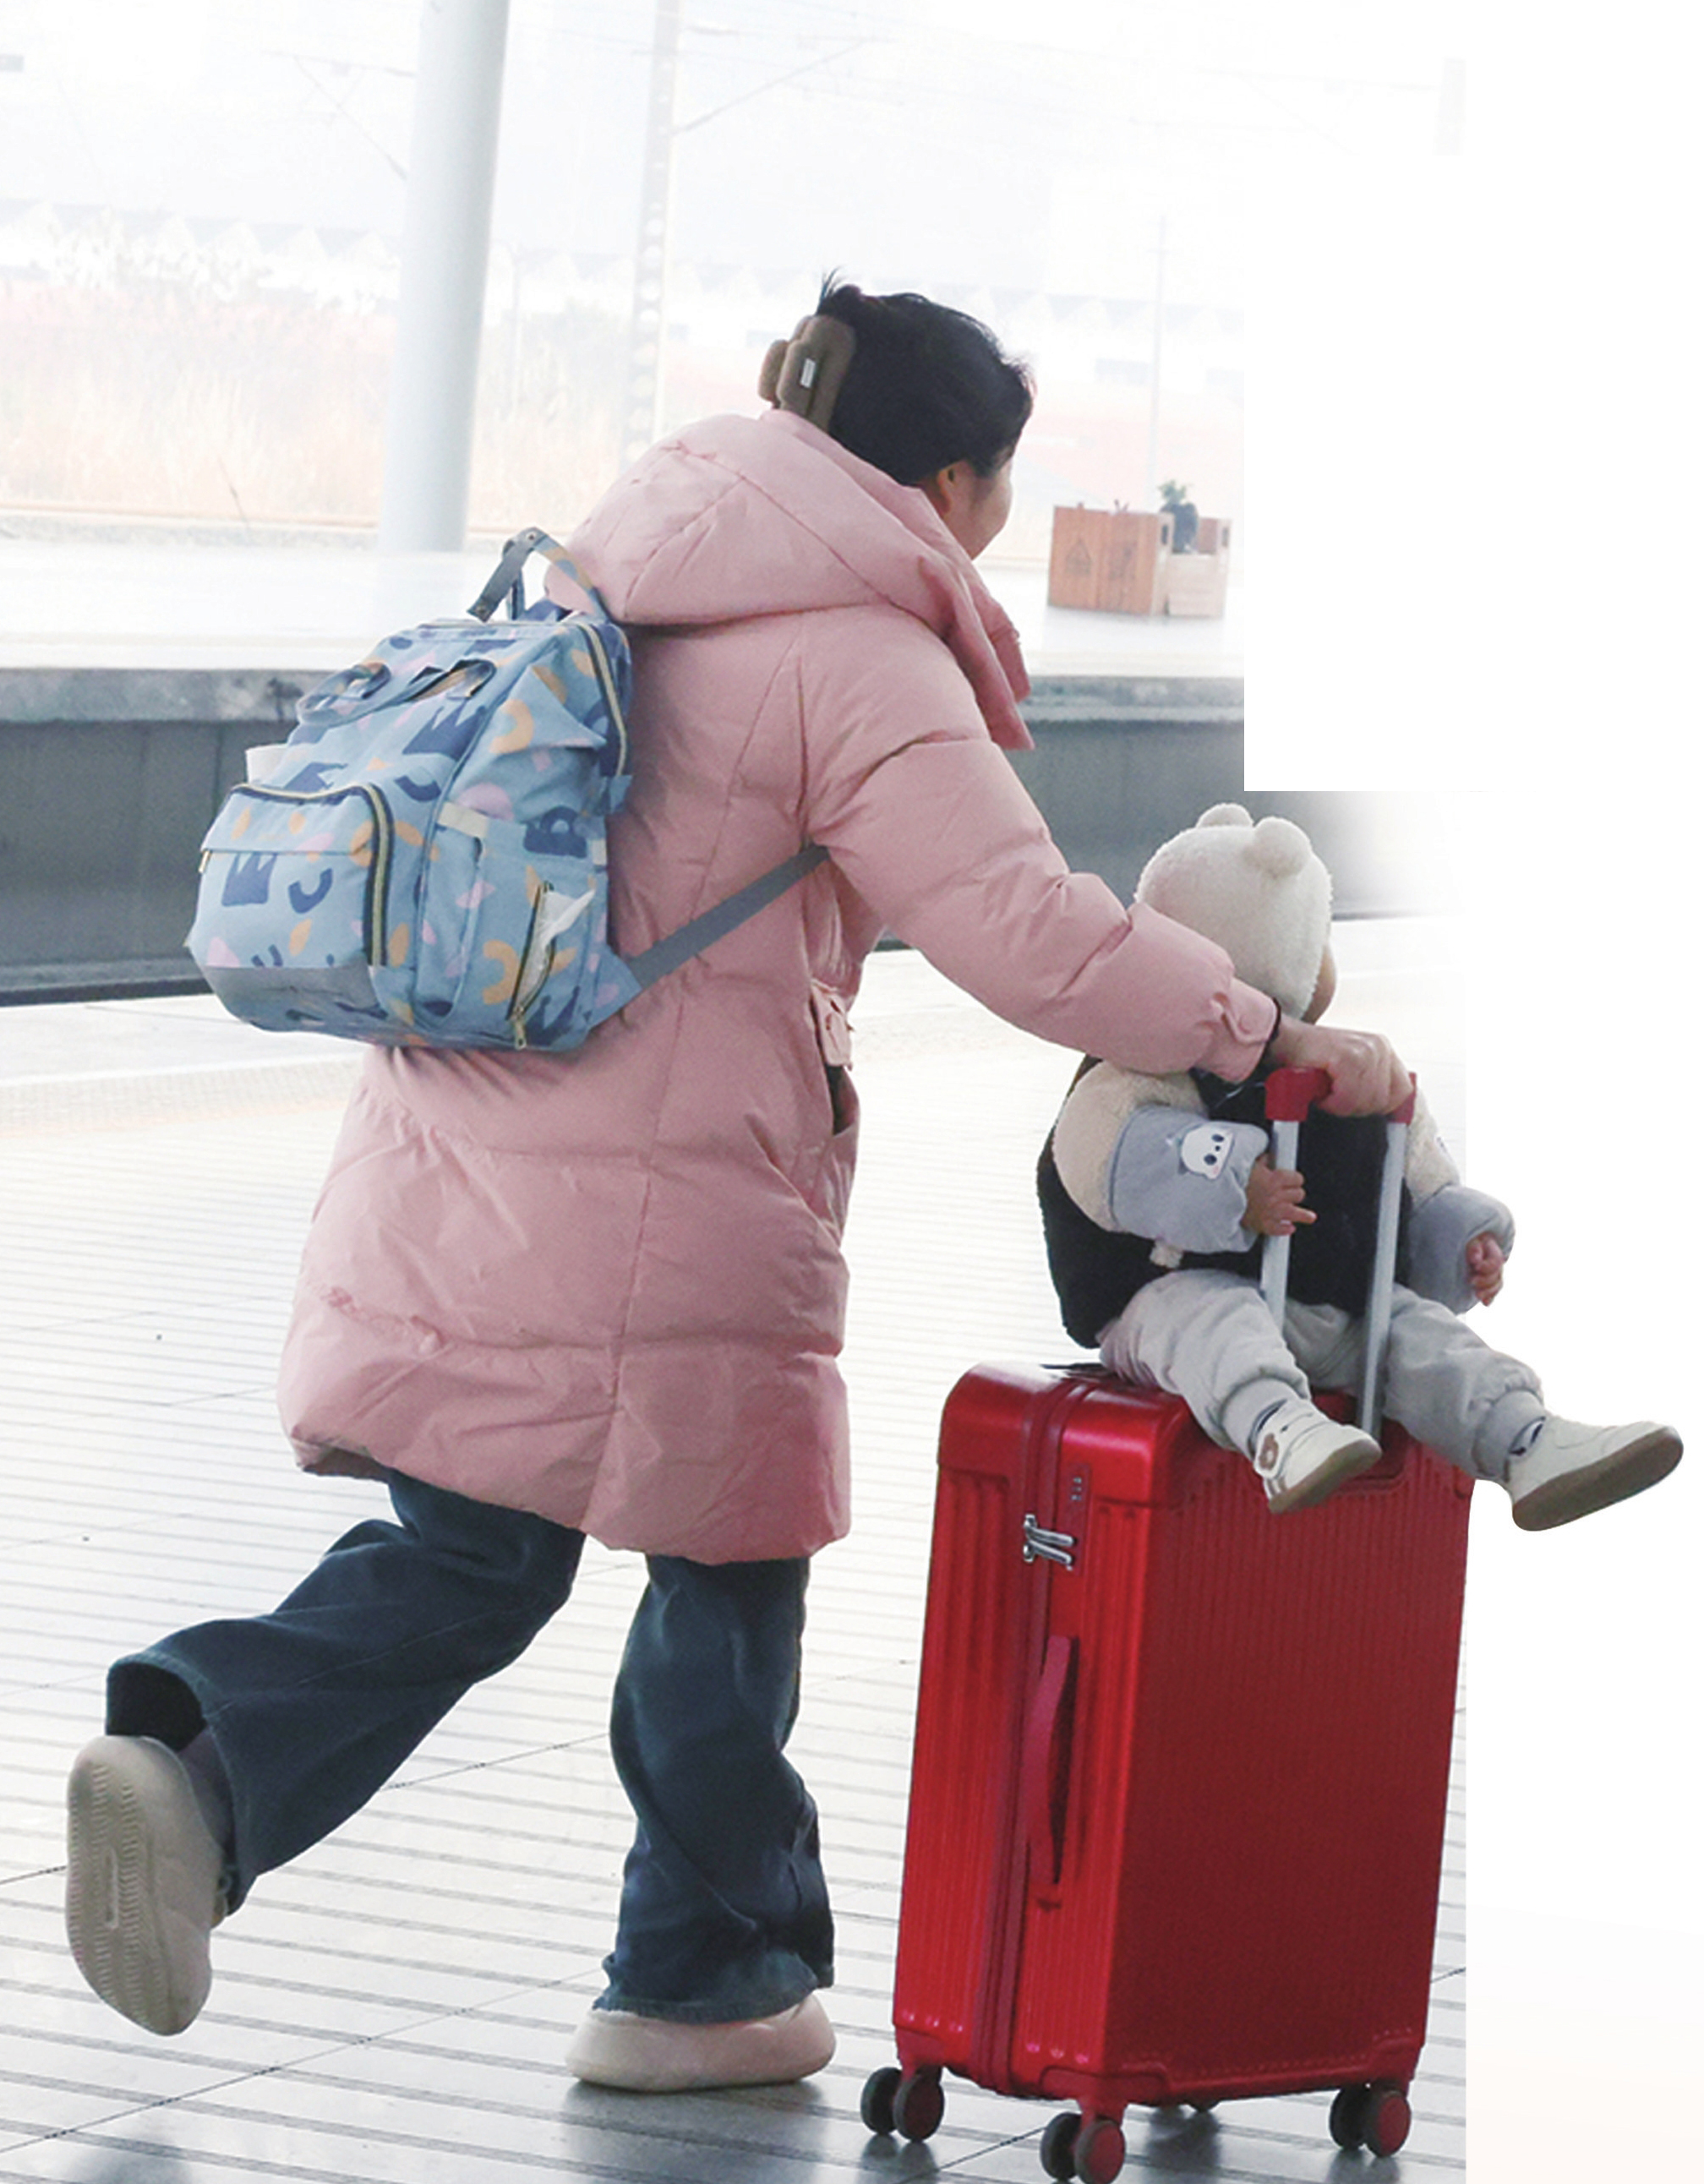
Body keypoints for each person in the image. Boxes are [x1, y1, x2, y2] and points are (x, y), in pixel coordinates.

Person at [63, 285, 1412, 2091]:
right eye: (999, 486)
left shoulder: (621, 566)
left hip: (450, 1151)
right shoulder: (860, 654)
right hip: (671, 1203)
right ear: (951, 482)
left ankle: (198, 1766)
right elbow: (1027, 932)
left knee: (472, 1550)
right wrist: (1260, 1029)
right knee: (726, 1566)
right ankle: (699, 1987)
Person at [1039, 801, 1684, 1522]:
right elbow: (1103, 1161)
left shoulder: (1344, 1066)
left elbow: (1417, 1170)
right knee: (1212, 1324)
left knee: (1417, 1335)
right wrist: (1232, 1189)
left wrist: (1457, 1238)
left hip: (1326, 1305)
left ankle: (1523, 1439)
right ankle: (1275, 1427)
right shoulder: (1139, 1067)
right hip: (1161, 1297)